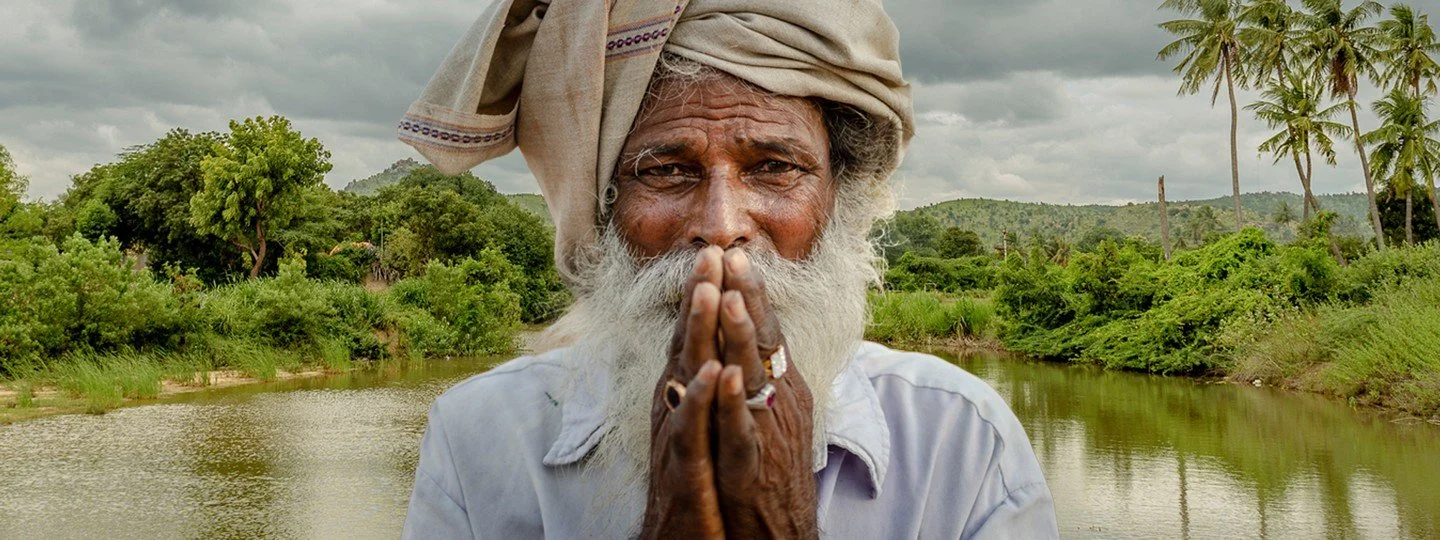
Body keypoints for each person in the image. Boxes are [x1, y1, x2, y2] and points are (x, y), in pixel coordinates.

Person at [397, 0, 1057, 537]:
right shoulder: (483, 435)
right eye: (665, 170)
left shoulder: (959, 437)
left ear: (841, 198)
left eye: (775, 167)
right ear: (602, 209)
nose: (719, 226)